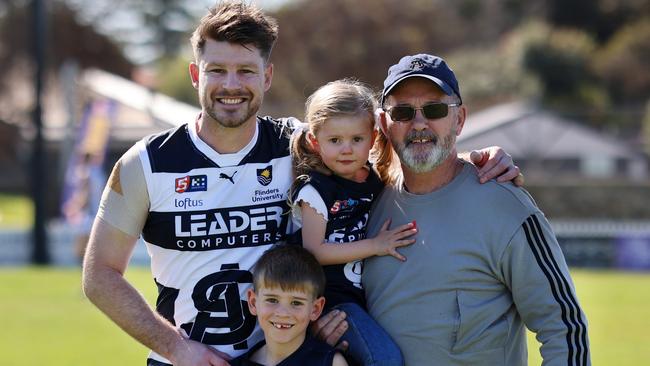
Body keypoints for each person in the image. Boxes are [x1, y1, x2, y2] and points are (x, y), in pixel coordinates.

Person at [81, 2, 520, 365]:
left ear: (266, 77)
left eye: (246, 71)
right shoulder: (147, 163)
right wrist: (176, 347)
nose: (231, 85)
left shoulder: (298, 145)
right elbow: (99, 275)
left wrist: (466, 159)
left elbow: (380, 166)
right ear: (196, 76)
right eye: (216, 70)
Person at [360, 54, 590, 365]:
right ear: (385, 124)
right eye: (402, 112)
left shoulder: (504, 203)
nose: (419, 124)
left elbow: (564, 327)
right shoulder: (364, 204)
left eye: (435, 109)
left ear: (460, 119)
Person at [289, 79, 414, 366]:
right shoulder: (315, 191)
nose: (346, 149)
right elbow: (315, 251)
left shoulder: (372, 179)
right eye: (335, 141)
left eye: (356, 139)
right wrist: (376, 246)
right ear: (314, 141)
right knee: (385, 359)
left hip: (367, 296)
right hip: (332, 301)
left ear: (372, 137)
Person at [231, 245, 348, 366]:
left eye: (296, 302)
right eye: (272, 300)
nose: (282, 313)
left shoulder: (332, 363)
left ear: (315, 309)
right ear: (253, 302)